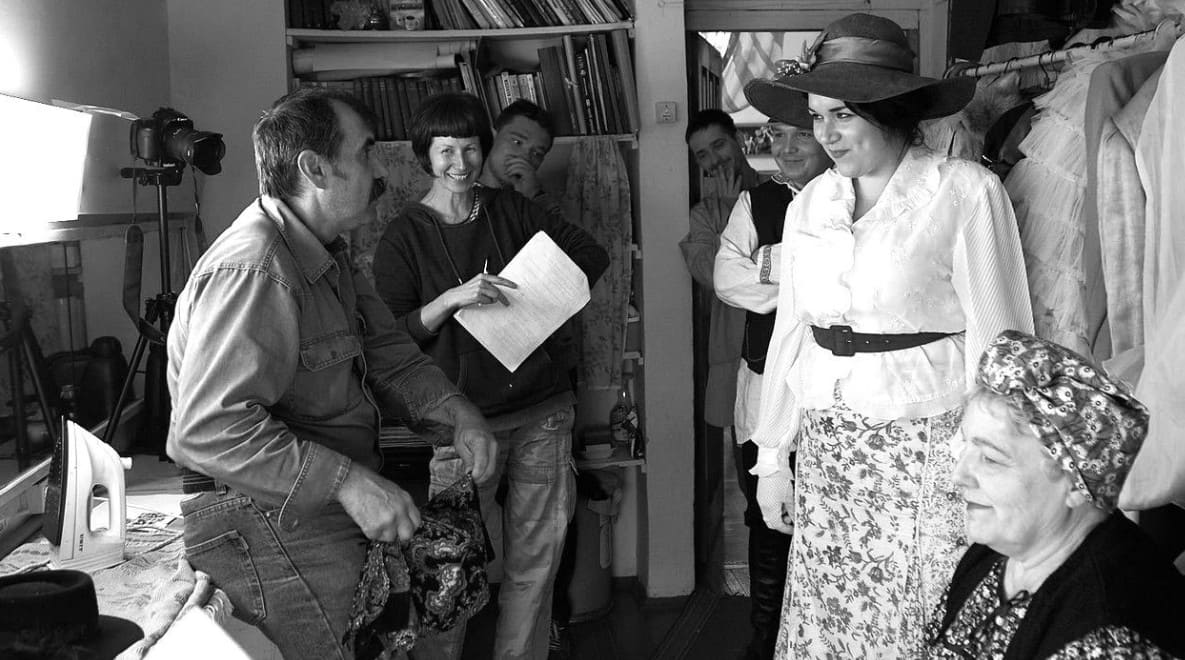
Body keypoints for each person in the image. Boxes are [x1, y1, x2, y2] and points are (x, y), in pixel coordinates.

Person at [166, 87, 497, 660]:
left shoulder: (325, 253)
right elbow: (206, 429)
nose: (380, 171)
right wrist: (350, 483)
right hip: (263, 516)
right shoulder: (257, 267)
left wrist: (458, 414)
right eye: (367, 153)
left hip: (304, 512)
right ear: (315, 168)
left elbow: (390, 355)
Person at [742, 13, 1035, 658]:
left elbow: (1000, 342)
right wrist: (772, 461)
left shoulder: (965, 191)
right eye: (817, 116)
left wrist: (999, 467)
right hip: (830, 443)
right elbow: (792, 330)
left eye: (842, 114)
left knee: (917, 615)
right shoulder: (808, 203)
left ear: (892, 106)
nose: (824, 133)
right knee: (833, 611)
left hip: (929, 442)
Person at [371, 91, 609, 660]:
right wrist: (452, 299)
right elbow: (392, 338)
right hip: (460, 422)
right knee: (449, 568)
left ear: (485, 149)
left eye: (471, 148)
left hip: (542, 410)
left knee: (537, 560)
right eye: (445, 150)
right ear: (424, 155)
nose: (460, 163)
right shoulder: (403, 234)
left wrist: (533, 295)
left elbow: (588, 255)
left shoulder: (512, 209)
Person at [926, 329, 1185, 658]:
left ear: (1076, 485)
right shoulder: (998, 552)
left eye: (990, 458)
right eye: (964, 447)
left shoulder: (1109, 635)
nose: (957, 477)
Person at [712, 98, 832, 660]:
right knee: (767, 512)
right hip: (764, 383)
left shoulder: (860, 197)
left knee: (830, 511)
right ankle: (768, 638)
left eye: (798, 136)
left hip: (834, 384)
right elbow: (728, 280)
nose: (783, 150)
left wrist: (770, 264)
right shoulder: (754, 201)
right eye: (775, 137)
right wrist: (811, 282)